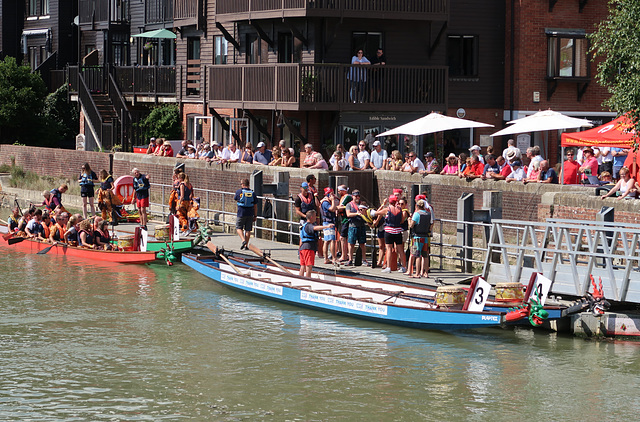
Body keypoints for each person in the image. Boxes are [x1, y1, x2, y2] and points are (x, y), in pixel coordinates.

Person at [299, 210, 334, 277]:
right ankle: (308, 279)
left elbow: (301, 238)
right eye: (315, 216)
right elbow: (315, 228)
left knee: (302, 266)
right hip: (308, 248)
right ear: (311, 217)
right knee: (309, 266)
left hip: (303, 248)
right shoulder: (309, 226)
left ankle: (300, 279)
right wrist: (326, 227)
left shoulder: (304, 225)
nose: (316, 217)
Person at [378, 195, 407, 274]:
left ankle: (388, 267)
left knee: (389, 249)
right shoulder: (400, 209)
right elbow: (401, 220)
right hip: (398, 231)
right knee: (401, 250)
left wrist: (382, 205)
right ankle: (404, 267)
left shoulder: (387, 209)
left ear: (389, 201)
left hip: (389, 231)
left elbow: (376, 213)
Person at [344, 189, 368, 266]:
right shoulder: (349, 205)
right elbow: (348, 214)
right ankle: (350, 259)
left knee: (362, 244)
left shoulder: (363, 204)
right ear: (352, 196)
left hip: (361, 226)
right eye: (355, 196)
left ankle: (364, 259)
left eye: (358, 196)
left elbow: (367, 213)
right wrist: (357, 214)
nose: (357, 197)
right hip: (352, 226)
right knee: (351, 244)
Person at [234, 178, 257, 250]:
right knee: (248, 230)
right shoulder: (252, 193)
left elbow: (235, 199)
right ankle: (245, 245)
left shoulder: (239, 192)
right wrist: (255, 215)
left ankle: (243, 240)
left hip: (241, 212)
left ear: (243, 184)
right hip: (250, 212)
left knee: (238, 227)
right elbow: (255, 205)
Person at [320, 187, 338, 264]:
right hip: (328, 223)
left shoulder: (325, 201)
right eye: (331, 193)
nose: (333, 195)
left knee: (327, 241)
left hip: (327, 222)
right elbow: (332, 209)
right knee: (331, 241)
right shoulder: (325, 202)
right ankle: (333, 258)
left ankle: (326, 258)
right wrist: (333, 200)